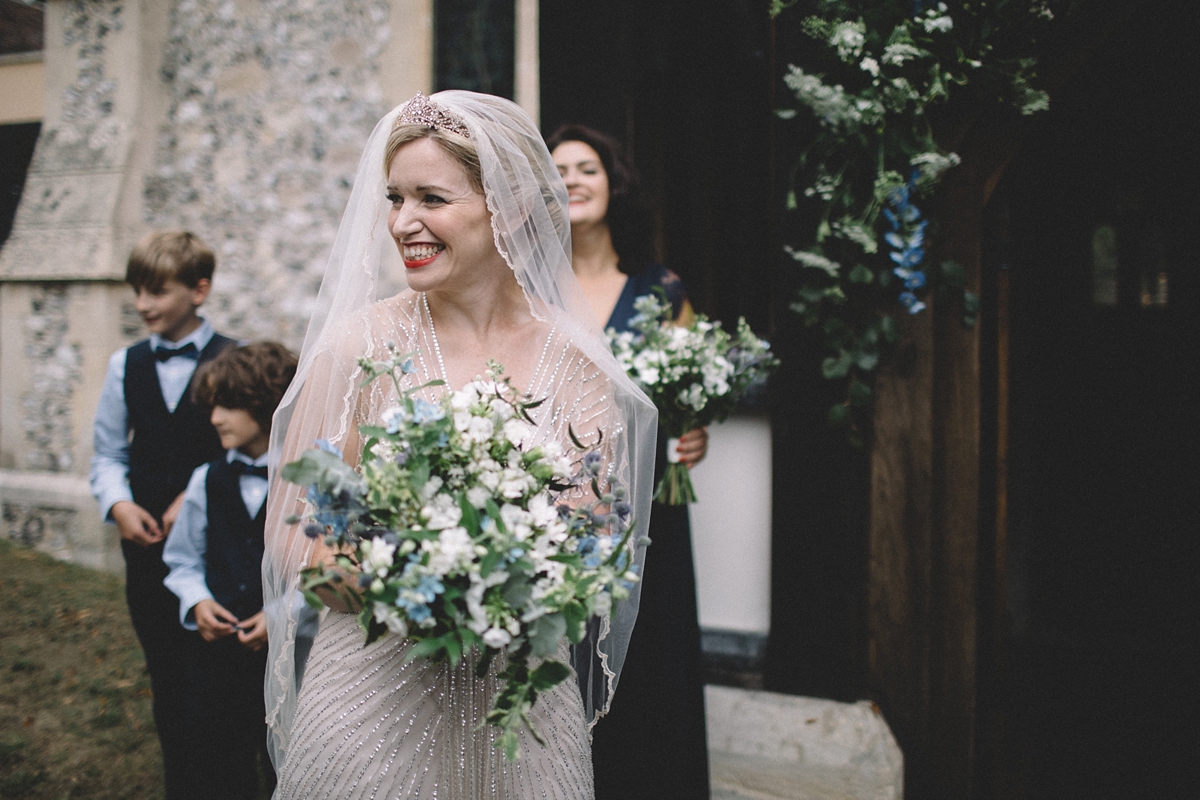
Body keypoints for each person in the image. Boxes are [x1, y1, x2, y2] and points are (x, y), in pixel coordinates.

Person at [262, 92, 657, 800]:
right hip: (371, 704)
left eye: (431, 199)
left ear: (507, 207)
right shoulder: (358, 346)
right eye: (394, 198)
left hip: (523, 714)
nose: (402, 223)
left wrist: (509, 567)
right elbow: (295, 538)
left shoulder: (578, 364)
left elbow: (596, 538)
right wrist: (397, 578)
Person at [548, 124, 711, 800]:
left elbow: (692, 389)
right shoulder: (532, 293)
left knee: (650, 661)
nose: (573, 180)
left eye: (587, 168)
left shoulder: (659, 290)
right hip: (556, 513)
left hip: (648, 513)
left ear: (614, 184)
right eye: (557, 171)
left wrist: (695, 430)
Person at [89, 230, 236, 799]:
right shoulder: (123, 365)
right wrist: (119, 503)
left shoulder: (234, 359)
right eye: (137, 292)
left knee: (221, 679)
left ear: (199, 291)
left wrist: (194, 497)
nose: (142, 304)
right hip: (148, 552)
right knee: (169, 679)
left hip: (220, 550)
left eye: (157, 291)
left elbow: (250, 450)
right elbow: (108, 453)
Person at [162, 341, 298, 800]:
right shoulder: (206, 479)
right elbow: (182, 558)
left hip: (289, 663)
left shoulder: (305, 482)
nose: (215, 416)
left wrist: (280, 614)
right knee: (219, 765)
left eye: (229, 405)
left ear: (265, 403)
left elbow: (326, 571)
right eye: (212, 405)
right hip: (215, 662)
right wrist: (196, 599)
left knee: (289, 765)